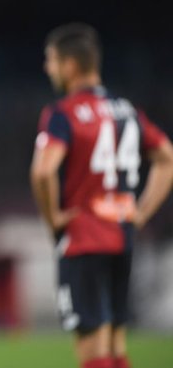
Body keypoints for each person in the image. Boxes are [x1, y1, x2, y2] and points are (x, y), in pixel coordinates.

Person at [30, 23, 173, 368]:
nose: (48, 68)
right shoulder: (127, 111)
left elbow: (43, 171)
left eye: (51, 60)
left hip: (84, 238)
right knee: (116, 344)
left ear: (70, 65)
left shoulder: (62, 113)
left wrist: (53, 219)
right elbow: (166, 157)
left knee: (92, 348)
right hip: (122, 235)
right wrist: (141, 212)